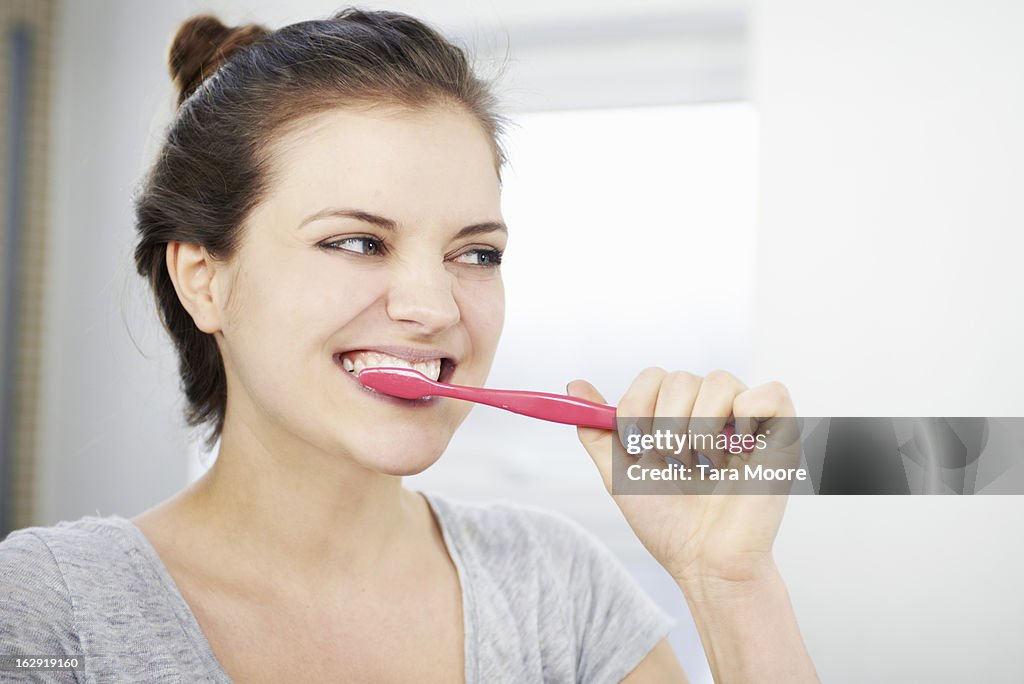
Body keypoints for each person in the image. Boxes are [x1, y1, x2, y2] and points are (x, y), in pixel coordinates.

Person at [0, 8, 818, 683]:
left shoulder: (559, 594)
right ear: (204, 279)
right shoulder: (47, 615)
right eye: (357, 241)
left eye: (475, 254)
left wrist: (730, 585)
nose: (433, 307)